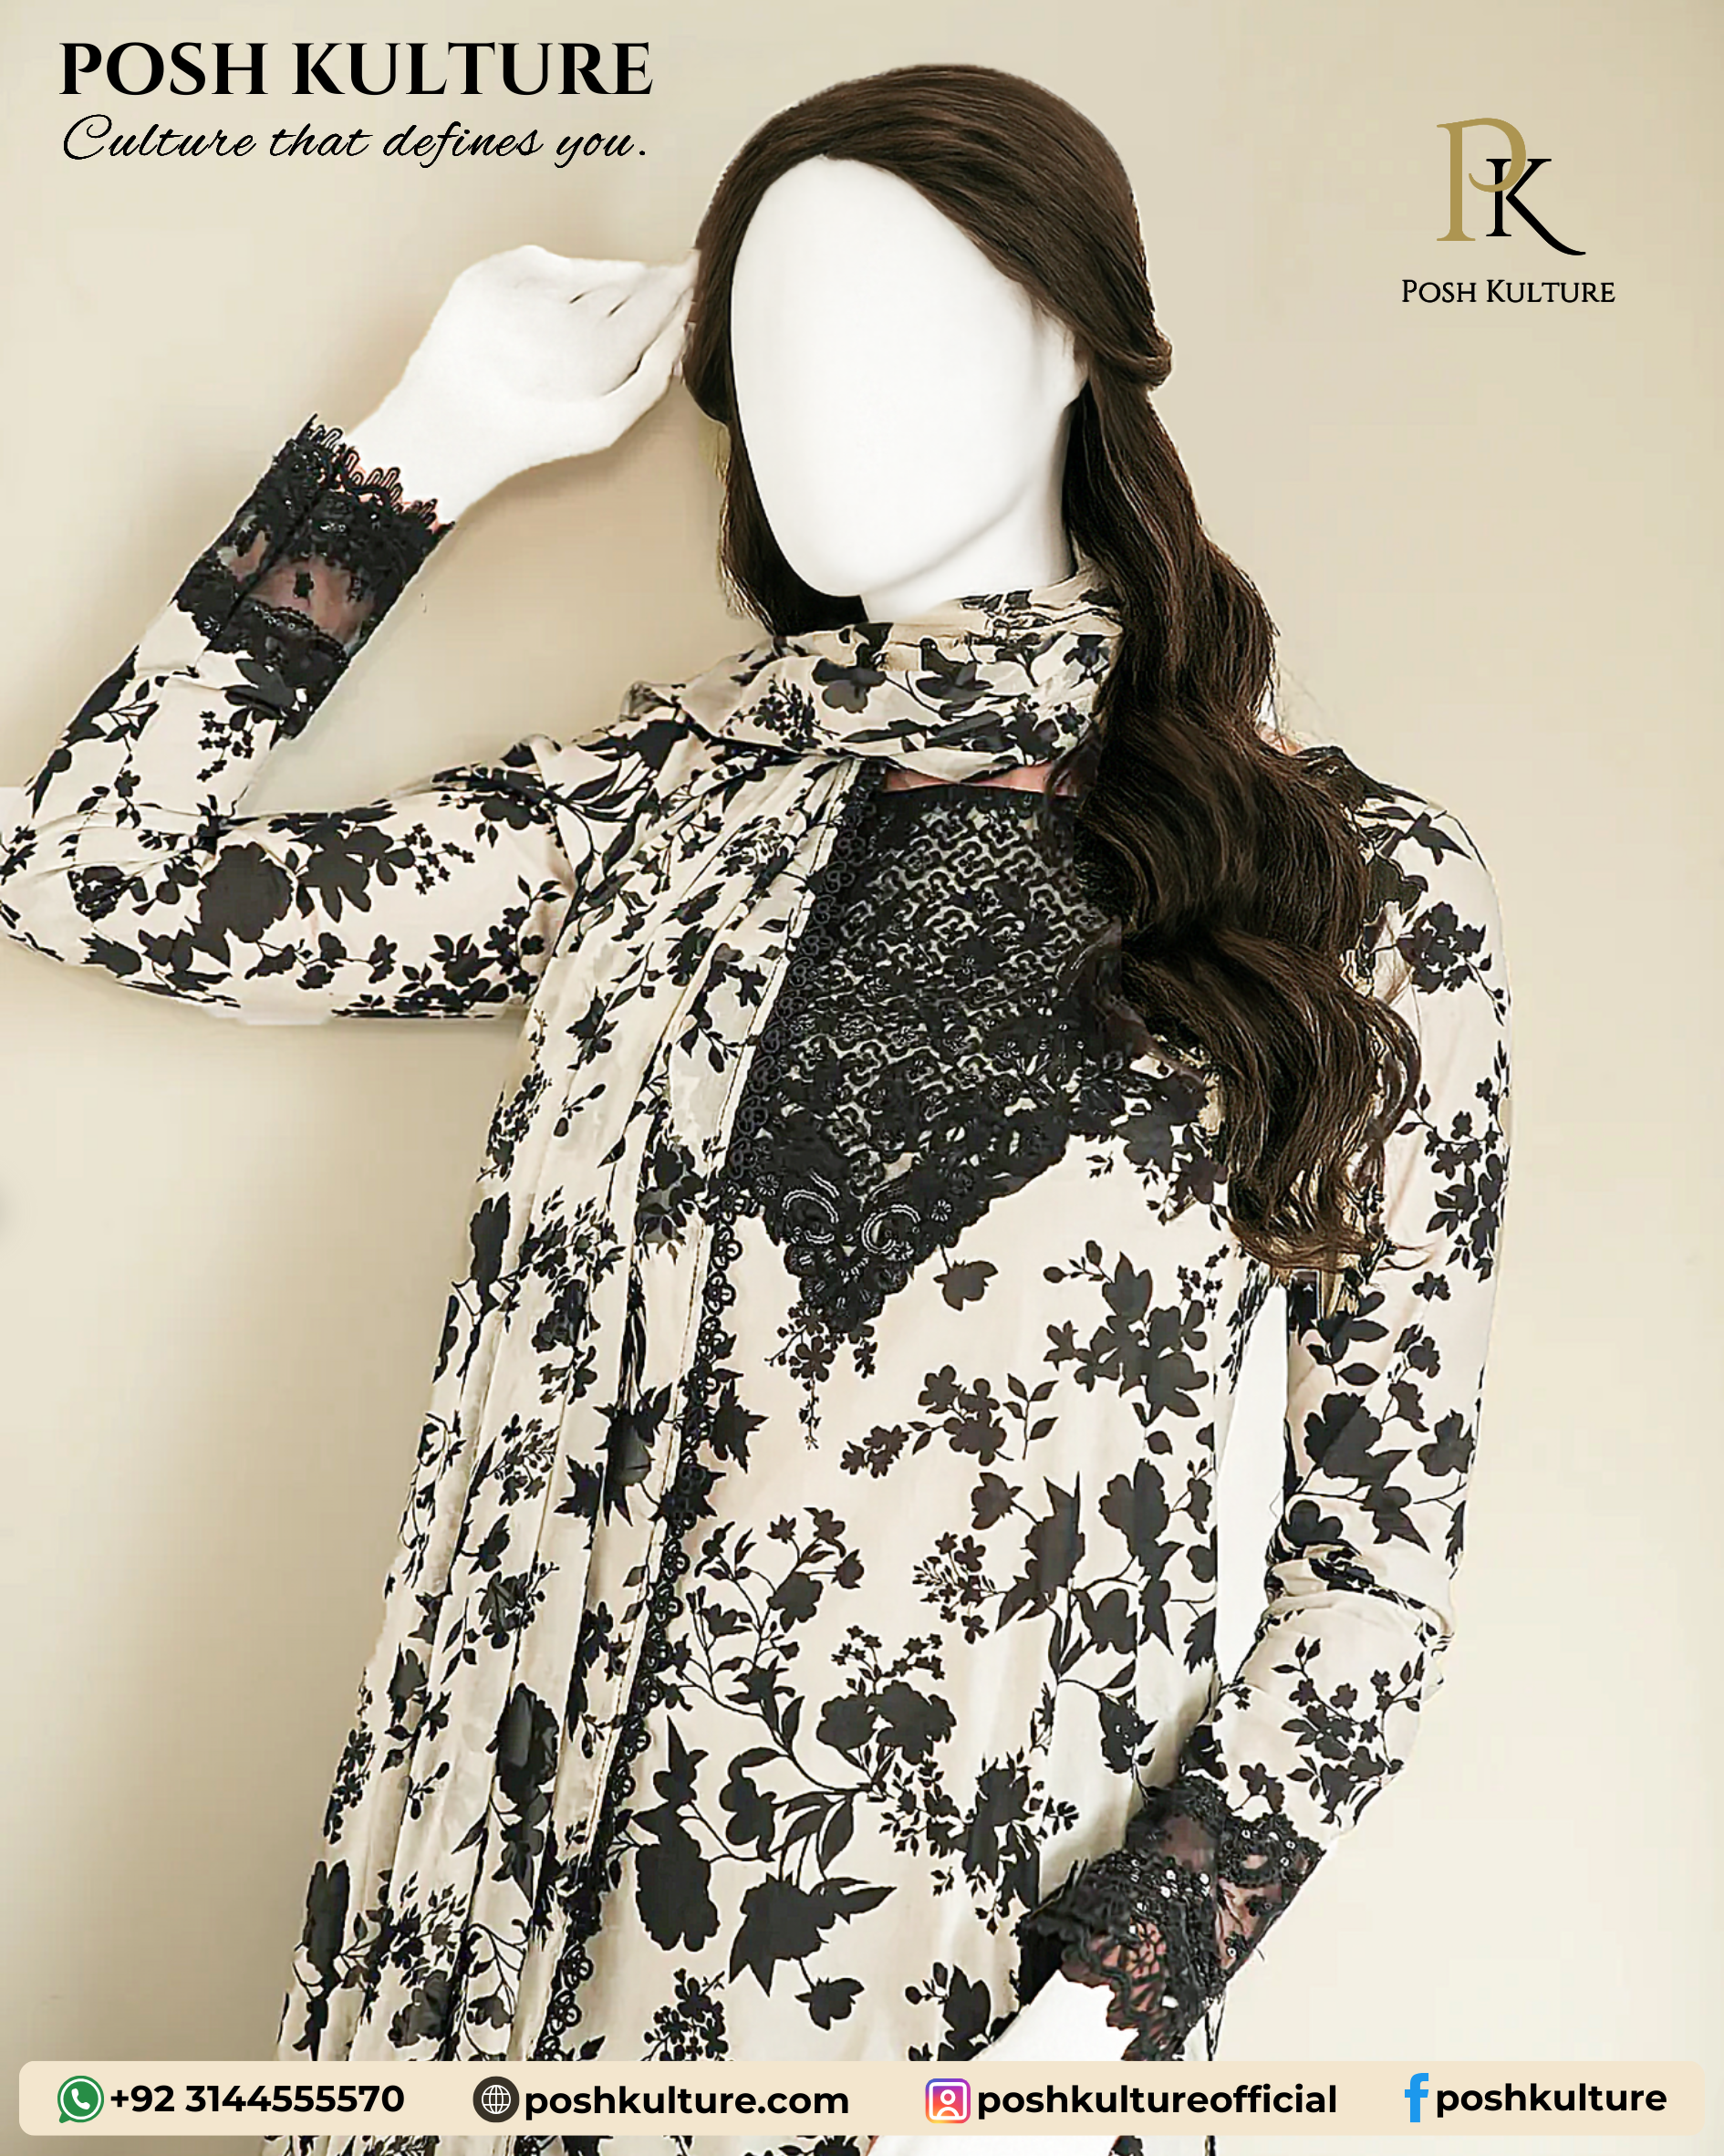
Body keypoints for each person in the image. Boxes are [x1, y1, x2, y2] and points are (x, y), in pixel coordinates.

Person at [0, 62, 1513, 2156]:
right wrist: (426, 441)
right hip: (492, 1982)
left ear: (1071, 341)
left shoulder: (1353, 892)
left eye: (887, 321)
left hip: (961, 2029)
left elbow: (1374, 1574)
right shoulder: (657, 812)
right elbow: (95, 869)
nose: (815, 406)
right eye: (765, 354)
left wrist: (1095, 2024)